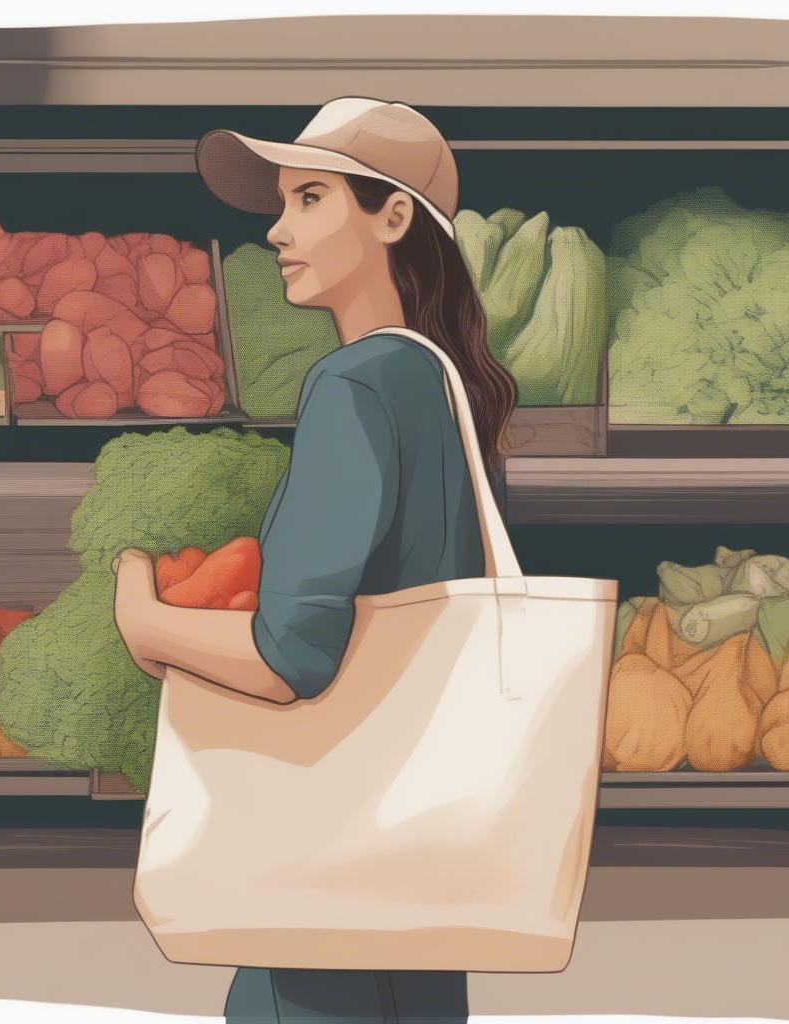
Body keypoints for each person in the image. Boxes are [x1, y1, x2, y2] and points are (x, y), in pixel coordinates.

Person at [112, 97, 518, 1023]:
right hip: (415, 863)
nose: (277, 228)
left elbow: (291, 655)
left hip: (323, 868)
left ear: (393, 216)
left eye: (309, 199)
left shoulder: (353, 384)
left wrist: (146, 616)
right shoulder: (438, 382)